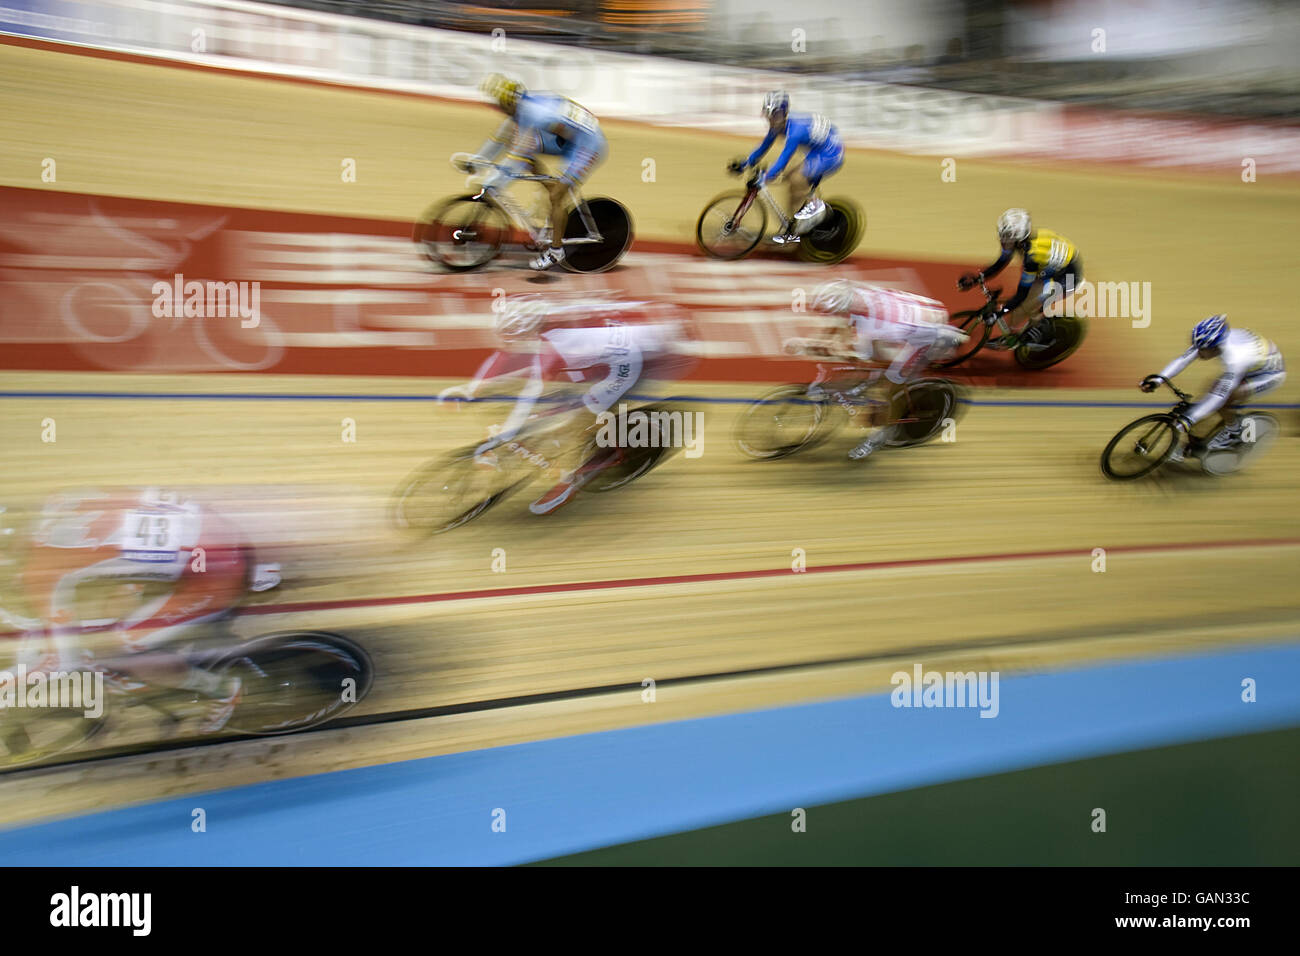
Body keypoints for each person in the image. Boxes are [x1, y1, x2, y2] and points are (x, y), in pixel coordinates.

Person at [12, 488, 279, 733]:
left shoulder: (42, 570)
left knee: (121, 647)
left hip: (215, 575)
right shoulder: (56, 500)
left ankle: (223, 690)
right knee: (105, 619)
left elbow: (62, 662)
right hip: (211, 534)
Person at [439, 295, 693, 513]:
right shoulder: (551, 318)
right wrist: (472, 389)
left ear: (525, 330)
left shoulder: (556, 347)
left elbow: (530, 394)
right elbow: (503, 356)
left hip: (630, 365)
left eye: (510, 336)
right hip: (613, 353)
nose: (507, 342)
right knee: (561, 397)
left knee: (577, 420)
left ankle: (573, 483)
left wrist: (507, 433)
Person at [802, 279, 965, 460]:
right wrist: (817, 343)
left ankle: (881, 435)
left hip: (928, 337)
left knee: (891, 381)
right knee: (872, 366)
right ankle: (873, 389)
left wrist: (839, 353)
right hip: (923, 315)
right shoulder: (859, 296)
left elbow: (869, 353)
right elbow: (843, 323)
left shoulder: (876, 324)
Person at [475, 74, 609, 271]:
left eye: (498, 104)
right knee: (521, 144)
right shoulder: (520, 107)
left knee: (556, 196)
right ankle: (549, 187)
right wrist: (477, 160)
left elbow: (517, 156)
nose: (497, 108)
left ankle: (556, 251)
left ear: (507, 102)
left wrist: (495, 181)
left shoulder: (535, 114)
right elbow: (501, 136)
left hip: (588, 144)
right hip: (567, 138)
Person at [1140, 314, 1285, 460]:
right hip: (1253, 362)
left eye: (1203, 349)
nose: (1198, 352)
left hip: (1269, 375)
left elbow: (1219, 397)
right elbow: (1183, 359)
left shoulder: (1235, 359)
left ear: (1216, 347)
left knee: (1224, 399)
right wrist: (1159, 379)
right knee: (1208, 394)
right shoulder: (1209, 342)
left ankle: (1233, 432)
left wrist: (1190, 419)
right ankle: (1202, 439)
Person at [729, 91, 845, 244]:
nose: (770, 119)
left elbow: (783, 159)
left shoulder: (794, 131)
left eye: (773, 116)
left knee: (796, 177)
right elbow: (764, 146)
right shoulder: (779, 124)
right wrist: (746, 163)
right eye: (768, 116)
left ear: (782, 114)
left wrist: (766, 177)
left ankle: (812, 209)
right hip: (817, 150)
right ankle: (796, 225)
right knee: (790, 178)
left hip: (831, 153)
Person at [958, 208, 1082, 349]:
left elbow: (1021, 294)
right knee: (1020, 302)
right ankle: (1018, 332)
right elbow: (1001, 262)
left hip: (1067, 278)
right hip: (1051, 267)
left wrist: (999, 314)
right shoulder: (1019, 243)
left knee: (1026, 306)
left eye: (1006, 236)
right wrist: (978, 278)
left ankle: (1039, 335)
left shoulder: (1031, 257)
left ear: (1019, 239)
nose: (1002, 240)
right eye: (1002, 235)